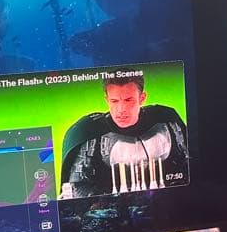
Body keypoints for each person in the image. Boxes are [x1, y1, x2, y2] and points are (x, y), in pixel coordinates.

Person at [59, 74, 188, 199]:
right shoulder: (90, 131)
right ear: (107, 100)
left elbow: (189, 164)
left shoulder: (166, 121)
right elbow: (76, 187)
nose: (121, 109)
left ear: (142, 98)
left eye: (128, 100)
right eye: (114, 101)